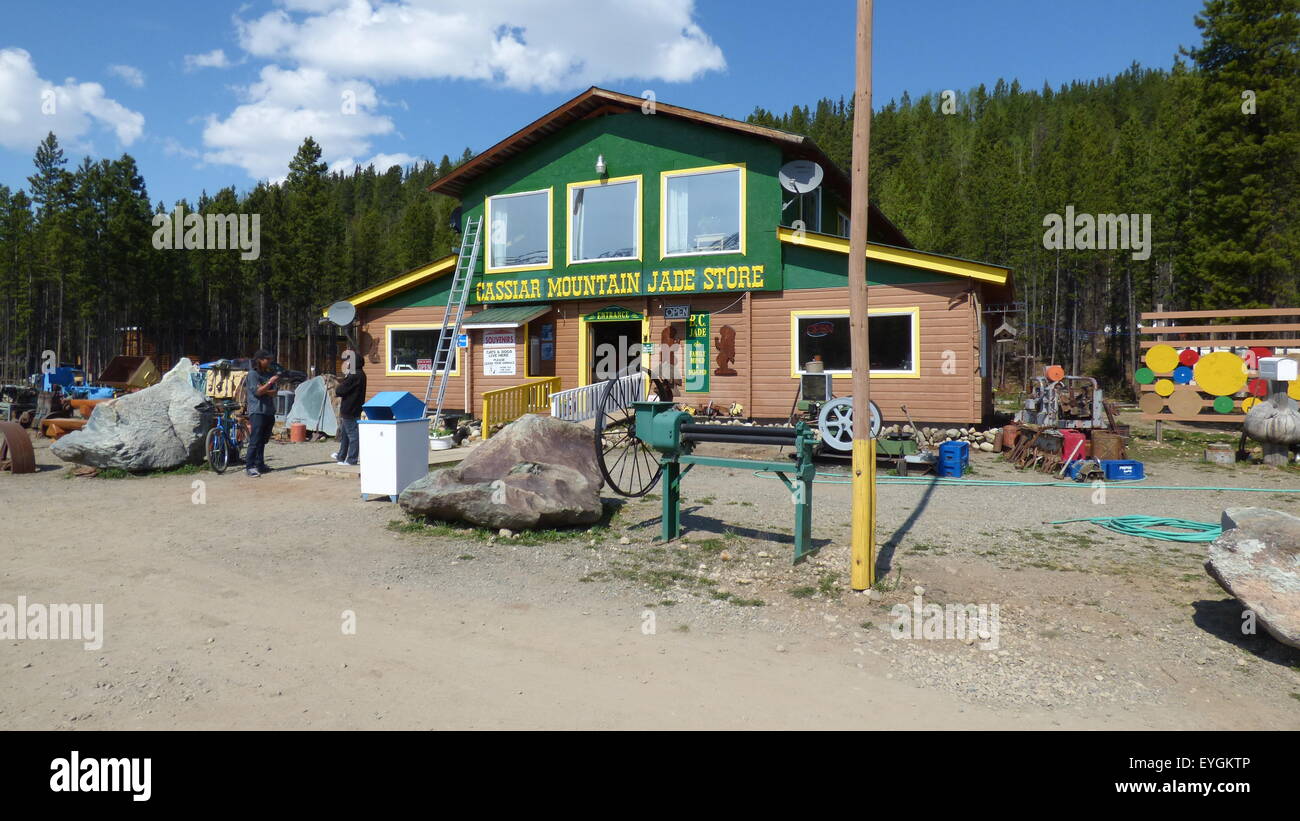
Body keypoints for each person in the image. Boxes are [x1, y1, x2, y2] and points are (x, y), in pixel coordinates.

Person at [244, 350, 281, 477]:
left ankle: (260, 464)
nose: (269, 362)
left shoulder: (268, 374)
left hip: (269, 411)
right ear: (260, 360)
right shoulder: (253, 374)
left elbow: (274, 392)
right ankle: (250, 466)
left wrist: (266, 388)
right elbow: (257, 392)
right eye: (267, 359)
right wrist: (269, 384)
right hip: (257, 411)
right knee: (255, 439)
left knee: (263, 440)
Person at [333, 353, 365, 466]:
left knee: (352, 435)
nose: (347, 364)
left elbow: (340, 391)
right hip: (354, 407)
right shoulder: (360, 374)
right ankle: (341, 456)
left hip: (350, 408)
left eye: (349, 361)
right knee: (345, 434)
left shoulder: (354, 375)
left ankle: (352, 459)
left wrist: (340, 384)